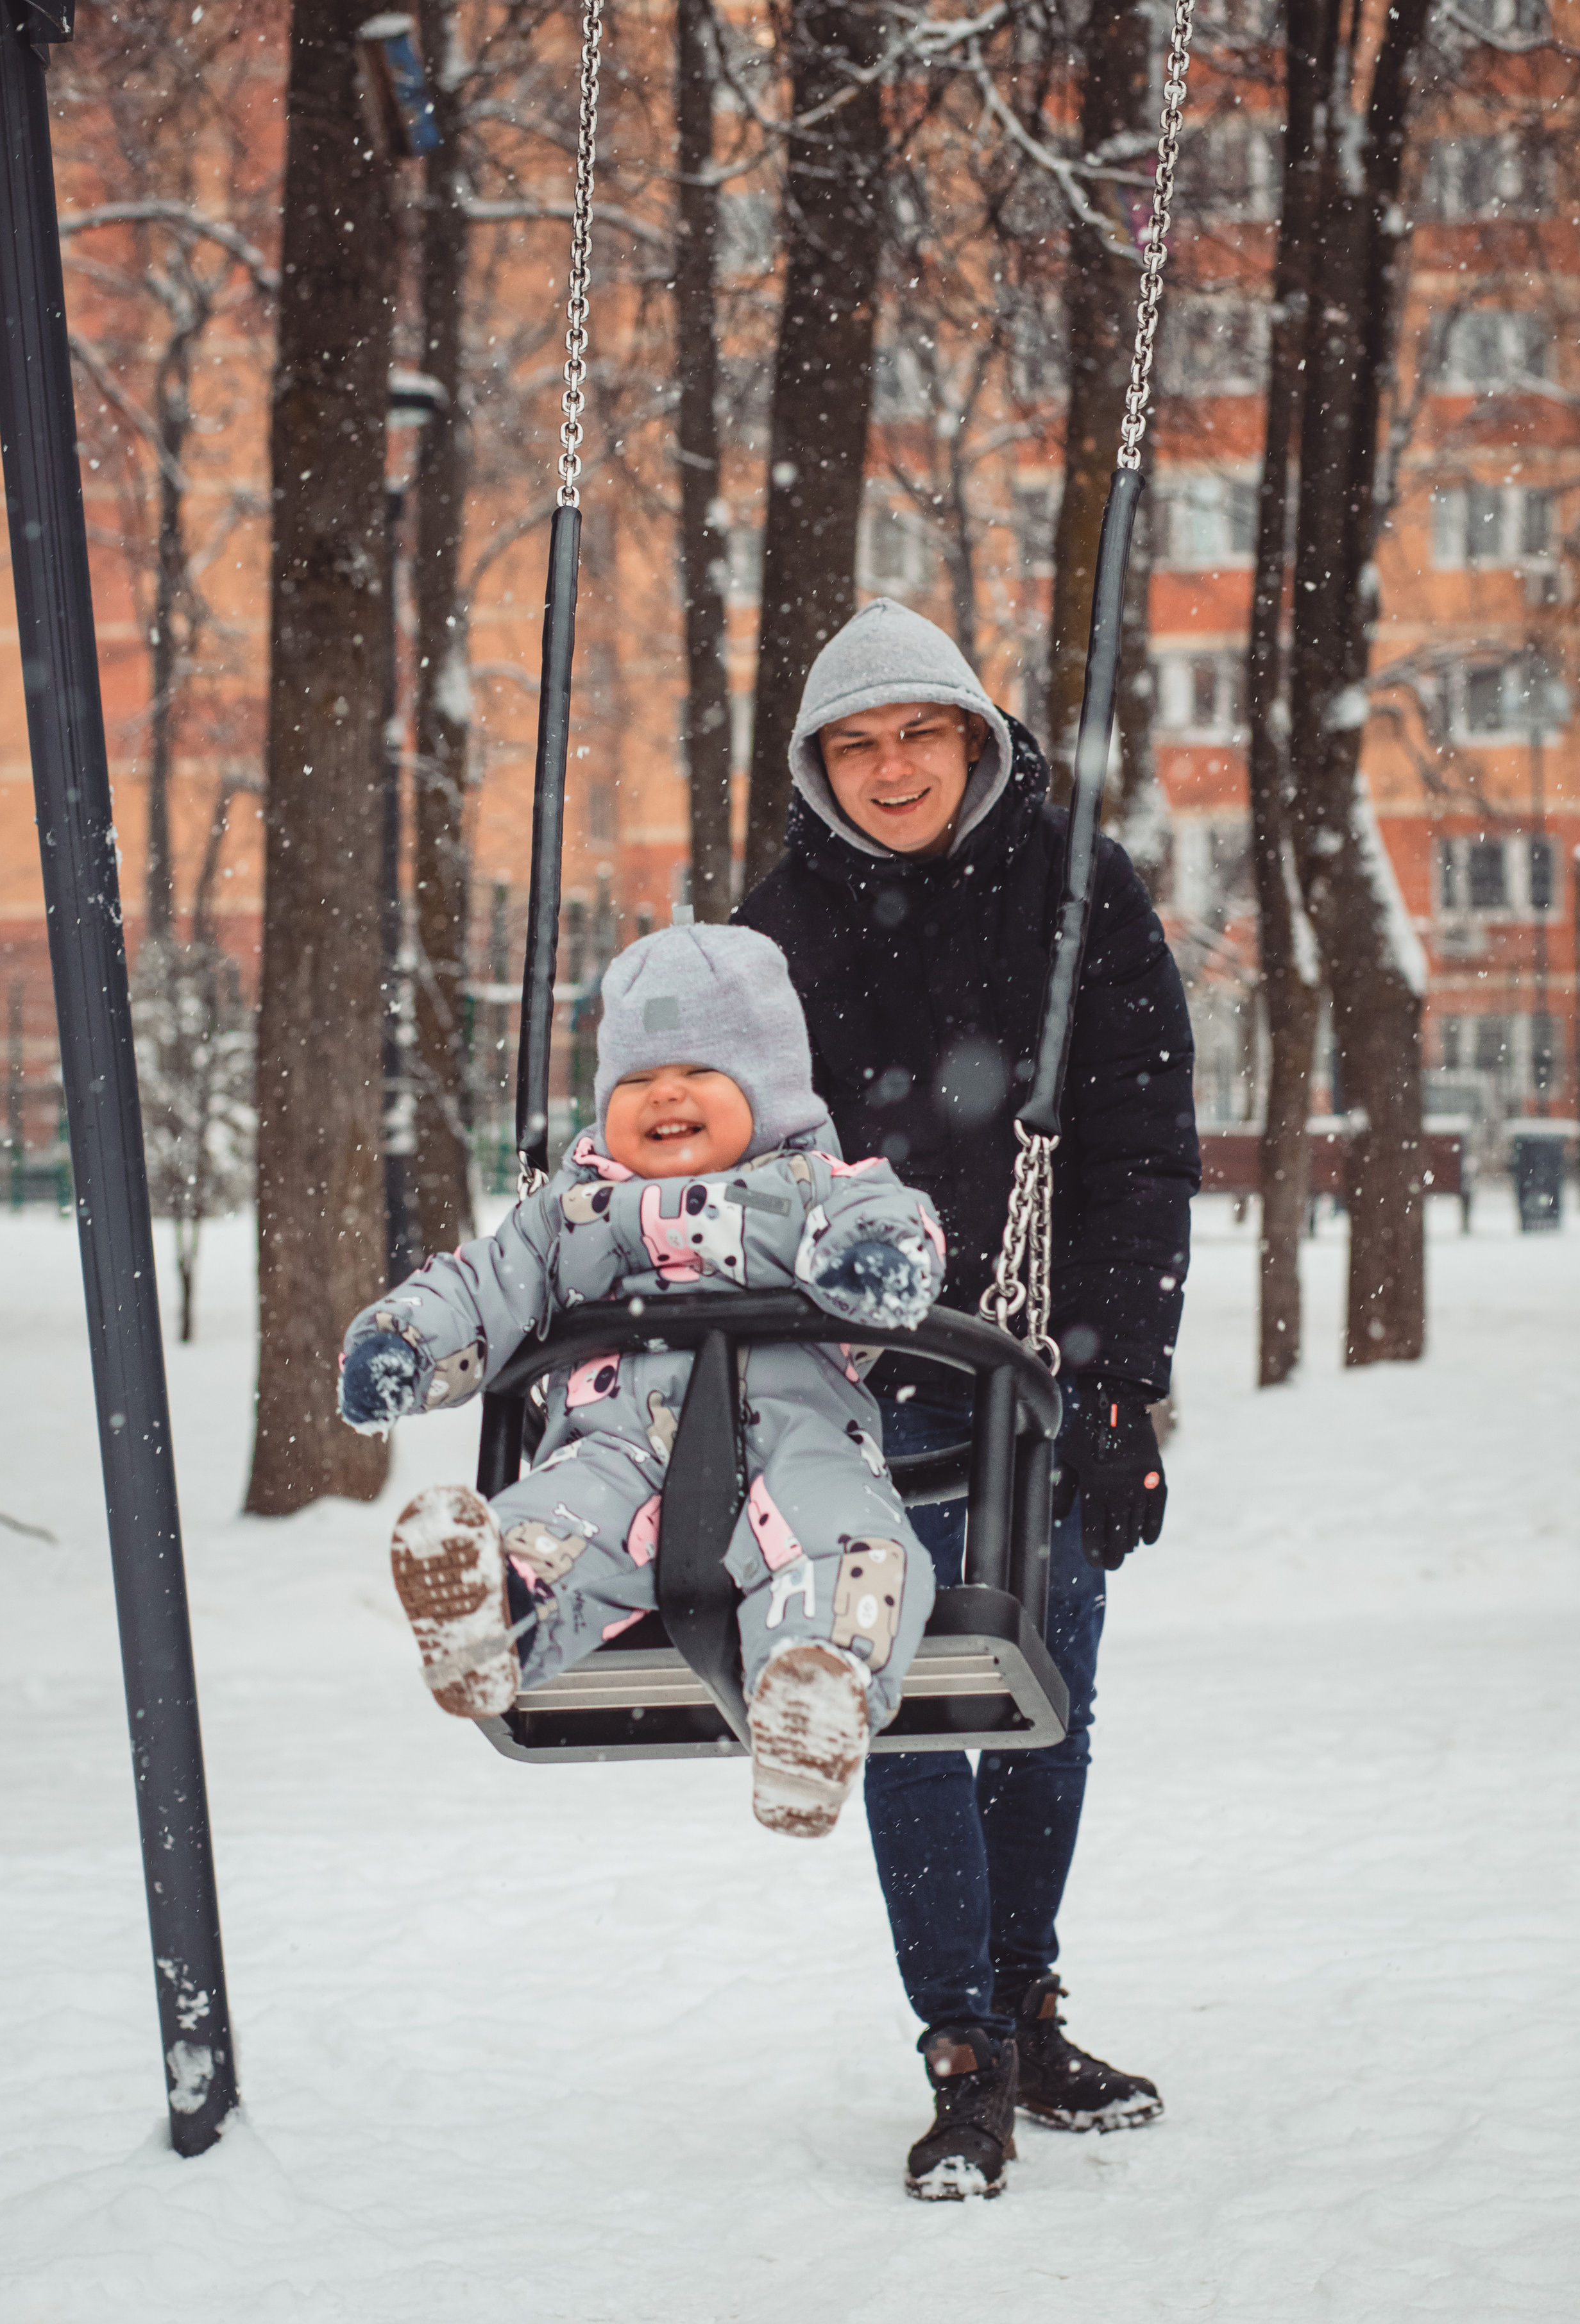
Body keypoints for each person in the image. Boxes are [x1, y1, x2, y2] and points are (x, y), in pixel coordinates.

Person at [736, 597, 1199, 2198]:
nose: (889, 770)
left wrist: (1122, 1387)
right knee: (905, 1710)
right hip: (855, 1377)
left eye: (917, 734)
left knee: (1043, 1696)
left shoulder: (1074, 890)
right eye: (854, 747)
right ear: (817, 769)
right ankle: (961, 2048)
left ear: (973, 738)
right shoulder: (772, 934)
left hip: (1041, 1363)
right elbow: (723, 1145)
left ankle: (1023, 2005)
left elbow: (1140, 1143)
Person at [336, 922, 947, 1840]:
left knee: (851, 1542)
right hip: (616, 1446)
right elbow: (483, 1283)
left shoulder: (820, 1186)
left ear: (772, 1088)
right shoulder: (571, 1212)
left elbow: (893, 1218)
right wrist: (405, 1346)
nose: (664, 1093)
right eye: (635, 1081)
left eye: (701, 1070)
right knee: (561, 1523)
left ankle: (816, 1693)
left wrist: (878, 1262)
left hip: (799, 1440)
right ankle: (492, 1611)